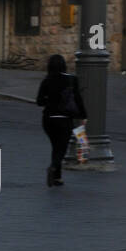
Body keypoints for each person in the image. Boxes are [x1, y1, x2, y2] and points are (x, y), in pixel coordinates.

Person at [36, 54, 87, 187]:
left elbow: (39, 101)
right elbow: (77, 99)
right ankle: (53, 168)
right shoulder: (71, 80)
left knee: (56, 146)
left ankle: (57, 178)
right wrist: (83, 115)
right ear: (64, 65)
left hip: (48, 120)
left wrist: (51, 100)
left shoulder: (46, 80)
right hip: (64, 120)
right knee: (61, 148)